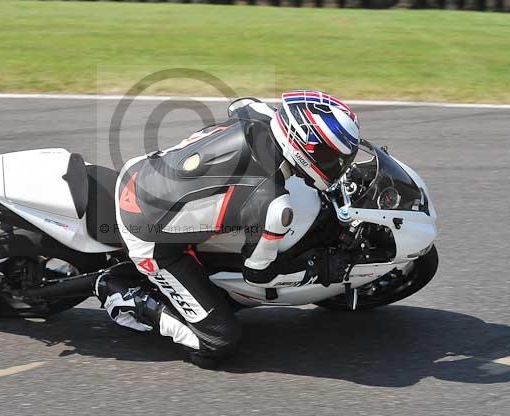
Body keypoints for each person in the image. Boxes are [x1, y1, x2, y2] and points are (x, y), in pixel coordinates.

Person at [95, 91, 361, 367]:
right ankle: (127, 298)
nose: (338, 165)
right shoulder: (272, 205)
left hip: (140, 171)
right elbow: (258, 274)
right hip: (148, 236)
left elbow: (240, 104)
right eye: (332, 156)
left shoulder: (260, 114)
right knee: (220, 341)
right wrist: (320, 269)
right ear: (304, 148)